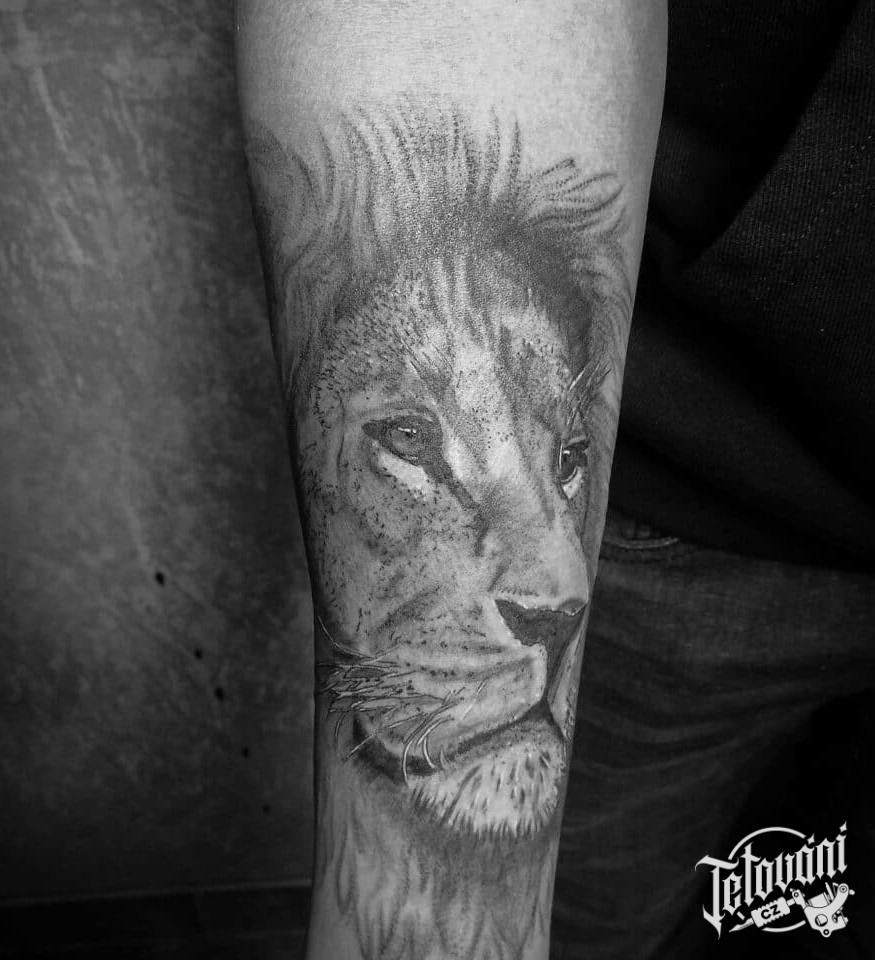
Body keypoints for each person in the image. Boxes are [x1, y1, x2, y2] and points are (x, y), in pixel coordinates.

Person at [236, 2, 875, 958]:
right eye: (411, 437)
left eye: (561, 460)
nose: (556, 584)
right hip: (708, 510)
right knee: (602, 912)